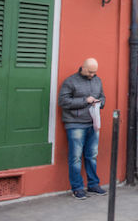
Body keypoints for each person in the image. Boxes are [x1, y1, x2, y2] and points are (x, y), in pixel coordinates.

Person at [58, 58, 106, 199]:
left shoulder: (97, 80)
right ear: (83, 68)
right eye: (90, 72)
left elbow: (102, 96)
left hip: (93, 122)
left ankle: (93, 184)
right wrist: (85, 100)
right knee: (76, 157)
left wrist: (100, 102)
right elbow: (63, 101)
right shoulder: (70, 81)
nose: (92, 74)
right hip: (75, 123)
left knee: (92, 156)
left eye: (95, 72)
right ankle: (77, 188)